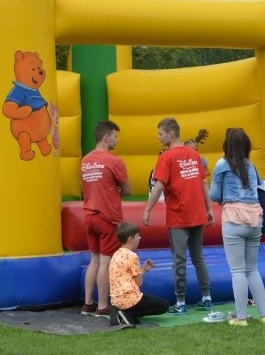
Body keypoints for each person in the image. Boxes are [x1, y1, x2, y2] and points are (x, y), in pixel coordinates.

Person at [142, 118, 214, 314]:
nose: (159, 137)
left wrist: (148, 209)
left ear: (170, 134)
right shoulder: (193, 154)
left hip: (179, 216)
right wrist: (208, 209)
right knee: (198, 256)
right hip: (197, 213)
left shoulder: (166, 157)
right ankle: (207, 297)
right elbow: (202, 184)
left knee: (179, 259)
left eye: (160, 134)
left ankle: (181, 302)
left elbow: (158, 187)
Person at [209, 128, 265, 326]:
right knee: (252, 268)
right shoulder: (251, 166)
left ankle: (241, 317)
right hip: (255, 219)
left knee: (237, 271)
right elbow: (260, 188)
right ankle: (264, 315)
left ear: (227, 145)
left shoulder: (222, 165)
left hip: (234, 219)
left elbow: (214, 195)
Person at [80, 120, 131, 319]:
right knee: (105, 263)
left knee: (94, 261)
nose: (116, 140)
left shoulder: (85, 160)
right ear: (106, 137)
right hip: (107, 217)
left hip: (89, 215)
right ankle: (102, 306)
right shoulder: (113, 161)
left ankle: (87, 304)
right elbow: (127, 189)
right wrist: (115, 191)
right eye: (115, 137)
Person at [108, 222, 169, 327]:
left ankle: (120, 310)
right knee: (163, 306)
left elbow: (128, 276)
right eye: (137, 236)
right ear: (130, 239)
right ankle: (127, 313)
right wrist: (142, 271)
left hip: (116, 299)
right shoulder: (132, 256)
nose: (140, 238)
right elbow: (139, 283)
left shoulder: (116, 254)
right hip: (130, 299)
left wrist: (144, 269)